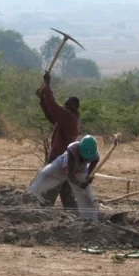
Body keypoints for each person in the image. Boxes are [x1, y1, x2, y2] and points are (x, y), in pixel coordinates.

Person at [37, 71, 81, 210]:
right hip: (68, 162)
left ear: (73, 108)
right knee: (67, 196)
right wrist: (43, 100)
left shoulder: (69, 118)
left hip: (60, 161)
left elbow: (54, 108)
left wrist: (47, 86)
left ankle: (44, 215)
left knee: (49, 194)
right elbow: (52, 116)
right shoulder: (68, 119)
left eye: (67, 106)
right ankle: (77, 218)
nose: (64, 108)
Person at [27, 135, 100, 220]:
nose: (84, 159)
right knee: (44, 175)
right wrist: (78, 183)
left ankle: (91, 219)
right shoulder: (72, 150)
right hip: (61, 166)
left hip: (80, 170)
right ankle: (29, 200)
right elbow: (70, 174)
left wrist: (87, 180)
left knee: (85, 194)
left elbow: (89, 173)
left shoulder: (95, 156)